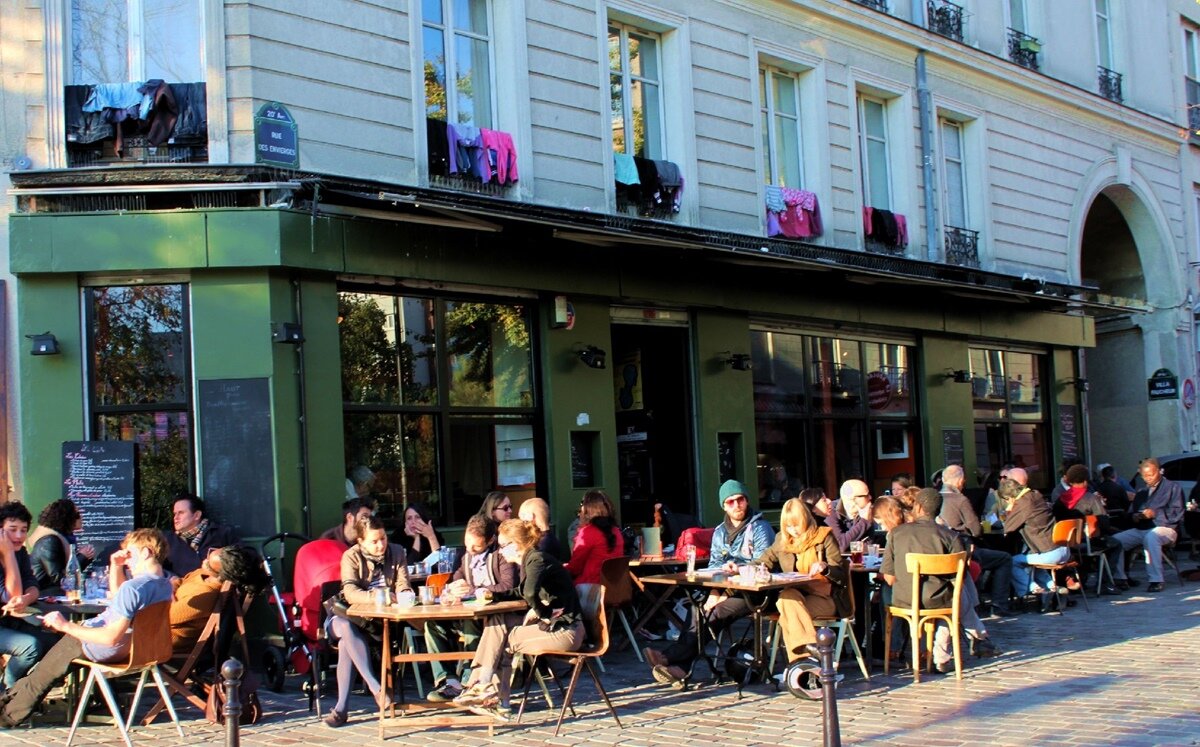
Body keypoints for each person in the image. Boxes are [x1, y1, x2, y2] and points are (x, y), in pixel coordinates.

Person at [0, 528, 174, 726]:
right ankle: (7, 701)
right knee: (46, 667)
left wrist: (66, 626)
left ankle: (8, 716)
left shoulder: (133, 587)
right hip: (133, 648)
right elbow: (120, 603)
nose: (127, 560)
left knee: (41, 677)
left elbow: (110, 637)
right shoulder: (163, 584)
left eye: (130, 554)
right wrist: (115, 567)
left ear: (145, 552)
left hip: (101, 645)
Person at [452, 519, 584, 721]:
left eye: (503, 546)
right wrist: (491, 595)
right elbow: (522, 592)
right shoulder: (530, 561)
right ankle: (484, 687)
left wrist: (542, 613)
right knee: (498, 620)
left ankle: (492, 697)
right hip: (558, 626)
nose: (500, 552)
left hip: (566, 630)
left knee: (503, 640)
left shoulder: (536, 560)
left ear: (515, 545)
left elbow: (530, 593)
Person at [644, 479, 774, 684]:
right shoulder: (721, 531)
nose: (736, 505)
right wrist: (716, 591)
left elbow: (763, 562)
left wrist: (735, 569)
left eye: (740, 500)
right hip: (725, 589)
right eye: (730, 502)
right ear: (724, 505)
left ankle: (669, 657)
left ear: (747, 501)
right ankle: (680, 667)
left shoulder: (760, 528)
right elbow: (714, 564)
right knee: (697, 610)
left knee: (713, 613)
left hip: (754, 592)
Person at [881, 488, 992, 675]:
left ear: (917, 506)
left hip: (905, 600)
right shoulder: (951, 536)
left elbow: (889, 579)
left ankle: (958, 647)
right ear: (938, 510)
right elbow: (960, 577)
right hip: (938, 599)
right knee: (951, 600)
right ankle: (949, 652)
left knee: (950, 600)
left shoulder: (896, 534)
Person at [324, 514, 410, 728]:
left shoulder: (397, 552)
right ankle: (376, 687)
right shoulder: (350, 556)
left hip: (375, 623)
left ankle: (341, 709)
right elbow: (351, 591)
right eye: (374, 541)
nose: (381, 545)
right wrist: (378, 597)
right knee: (344, 627)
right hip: (344, 616)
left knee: (347, 642)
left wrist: (405, 594)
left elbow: (403, 583)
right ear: (361, 541)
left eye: (383, 538)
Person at [424, 515, 516, 702]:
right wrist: (450, 591)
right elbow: (456, 579)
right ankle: (447, 680)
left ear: (490, 540)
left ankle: (470, 681)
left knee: (470, 623)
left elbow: (508, 585)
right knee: (432, 624)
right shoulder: (465, 556)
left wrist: (473, 591)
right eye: (467, 544)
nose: (471, 550)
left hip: (493, 619)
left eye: (477, 547)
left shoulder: (502, 556)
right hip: (467, 614)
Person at [752, 498, 847, 664]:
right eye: (788, 525)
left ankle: (801, 664)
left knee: (787, 612)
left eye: (796, 524)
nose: (793, 530)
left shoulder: (824, 536)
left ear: (806, 519)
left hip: (824, 597)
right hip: (797, 597)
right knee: (786, 598)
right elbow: (762, 561)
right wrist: (739, 568)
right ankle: (810, 651)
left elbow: (841, 574)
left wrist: (825, 568)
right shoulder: (783, 540)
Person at [938, 465, 1014, 616]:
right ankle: (999, 606)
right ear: (960, 481)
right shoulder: (960, 499)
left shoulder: (936, 497)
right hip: (963, 551)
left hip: (940, 552)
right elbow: (976, 530)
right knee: (1004, 559)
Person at [170, 544, 271, 655]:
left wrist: (168, 590)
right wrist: (171, 588)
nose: (204, 560)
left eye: (208, 562)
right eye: (210, 553)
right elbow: (180, 581)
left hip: (167, 638)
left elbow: (168, 616)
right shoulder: (203, 574)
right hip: (163, 618)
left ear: (220, 574)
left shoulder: (207, 595)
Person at [1110, 458, 1186, 593]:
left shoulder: (1173, 487)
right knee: (1116, 540)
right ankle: (1120, 578)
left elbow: (1177, 513)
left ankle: (1156, 580)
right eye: (1144, 476)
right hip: (1143, 528)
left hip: (1166, 529)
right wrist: (1134, 516)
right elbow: (1131, 512)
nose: (1147, 479)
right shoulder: (1141, 491)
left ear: (1159, 471)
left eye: (1150, 475)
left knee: (1152, 537)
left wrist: (1155, 513)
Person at [0, 503, 54, 691]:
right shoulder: (11, 553)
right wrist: (7, 555)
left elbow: (32, 584)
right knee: (29, 647)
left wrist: (26, 599)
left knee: (55, 641)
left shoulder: (21, 552)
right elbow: (11, 595)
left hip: (8, 619)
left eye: (23, 530)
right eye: (12, 530)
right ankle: (9, 690)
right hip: (5, 621)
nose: (19, 536)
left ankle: (13, 692)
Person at [997, 477, 1068, 612]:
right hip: (1062, 548)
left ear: (1009, 497)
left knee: (1011, 561)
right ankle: (1053, 588)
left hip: (1049, 552)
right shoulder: (1035, 495)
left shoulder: (1023, 503)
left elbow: (1008, 527)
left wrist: (1011, 508)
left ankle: (1034, 590)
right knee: (1030, 558)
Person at [1052, 464, 1122, 595]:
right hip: (1087, 543)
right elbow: (1103, 524)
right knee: (1115, 544)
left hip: (1065, 543)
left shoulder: (1060, 500)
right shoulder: (1090, 498)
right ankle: (1106, 584)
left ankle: (1080, 580)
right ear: (1085, 481)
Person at [27, 498, 94, 595]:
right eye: (77, 515)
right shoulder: (49, 541)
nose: (81, 517)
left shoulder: (64, 538)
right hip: (44, 596)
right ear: (67, 518)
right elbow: (58, 578)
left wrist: (84, 557)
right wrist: (82, 557)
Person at [165, 494, 239, 577]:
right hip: (181, 588)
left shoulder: (222, 533)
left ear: (197, 515)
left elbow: (245, 557)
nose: (175, 517)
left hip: (216, 587)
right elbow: (156, 567)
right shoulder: (167, 540)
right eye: (175, 513)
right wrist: (170, 577)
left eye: (181, 513)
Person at [564, 490, 624, 585]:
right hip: (615, 589)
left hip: (590, 589)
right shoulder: (616, 531)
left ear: (586, 510)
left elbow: (575, 568)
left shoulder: (588, 532)